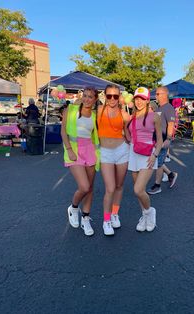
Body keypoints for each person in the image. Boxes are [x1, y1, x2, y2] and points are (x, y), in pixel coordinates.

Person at [61, 87, 100, 236]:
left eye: (91, 97)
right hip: (74, 150)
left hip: (90, 151)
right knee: (83, 186)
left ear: (95, 99)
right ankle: (74, 208)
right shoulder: (70, 109)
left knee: (90, 188)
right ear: (81, 96)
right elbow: (63, 131)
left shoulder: (95, 115)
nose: (87, 99)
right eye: (85, 96)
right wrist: (69, 149)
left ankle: (85, 218)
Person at [126, 87, 162, 232]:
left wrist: (155, 155)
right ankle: (144, 215)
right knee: (139, 191)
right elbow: (127, 133)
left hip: (149, 155)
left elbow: (160, 140)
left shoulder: (155, 116)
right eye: (137, 98)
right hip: (134, 153)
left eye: (142, 99)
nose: (139, 101)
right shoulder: (131, 117)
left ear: (147, 101)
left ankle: (150, 212)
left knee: (138, 190)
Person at [97, 84, 130, 236]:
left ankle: (115, 213)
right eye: (109, 95)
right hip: (105, 152)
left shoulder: (124, 114)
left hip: (122, 150)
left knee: (119, 185)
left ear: (119, 97)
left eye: (115, 96)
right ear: (104, 96)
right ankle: (106, 220)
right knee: (110, 188)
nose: (112, 99)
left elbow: (129, 133)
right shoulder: (98, 110)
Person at [147, 86, 178, 194]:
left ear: (165, 94)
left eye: (158, 94)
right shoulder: (160, 108)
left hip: (163, 140)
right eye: (156, 94)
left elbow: (171, 124)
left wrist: (168, 139)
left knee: (158, 164)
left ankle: (157, 185)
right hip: (156, 140)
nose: (156, 96)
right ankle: (171, 174)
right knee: (157, 161)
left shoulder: (168, 108)